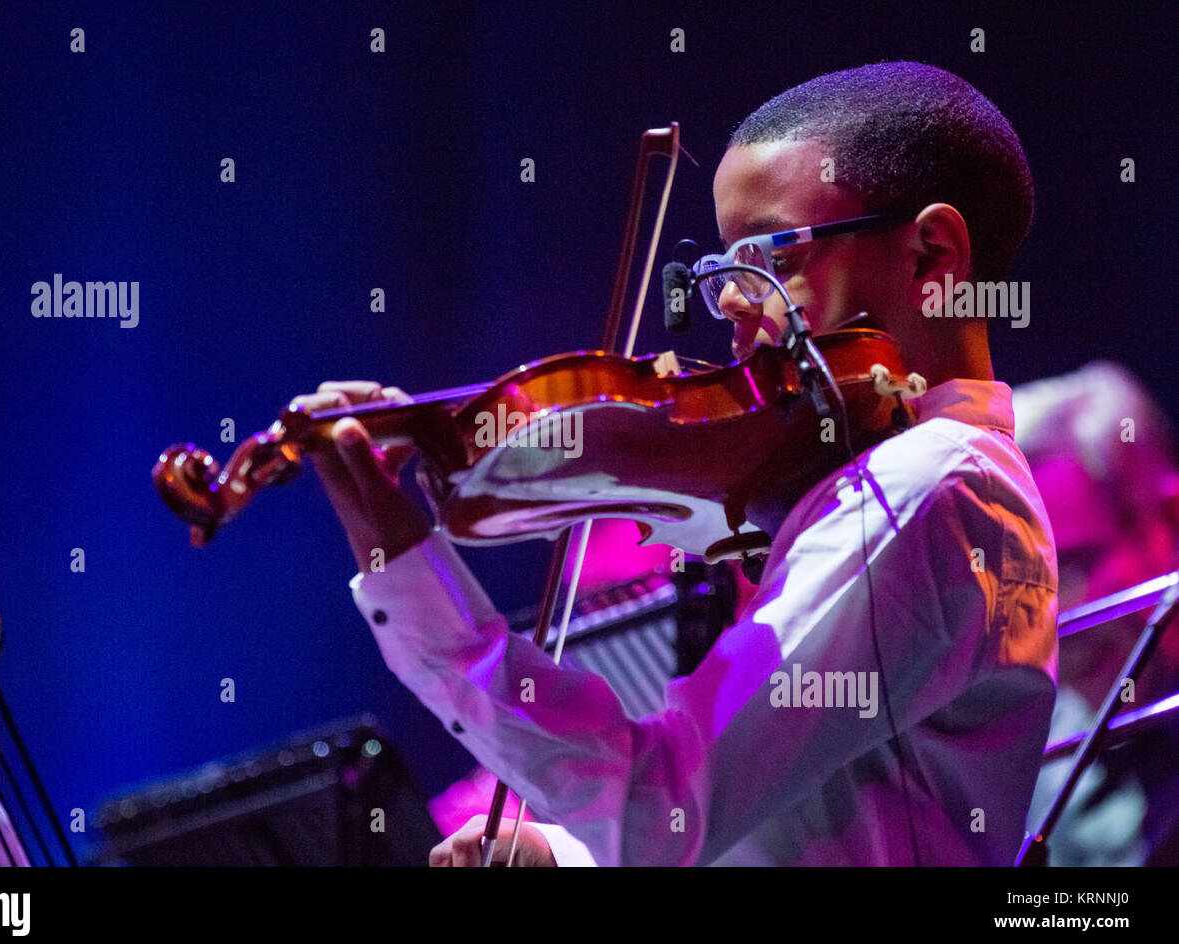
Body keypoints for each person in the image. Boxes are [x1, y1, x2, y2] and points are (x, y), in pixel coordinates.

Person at [297, 61, 1058, 865]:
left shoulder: (928, 487)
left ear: (932, 259)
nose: (729, 299)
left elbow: (659, 811)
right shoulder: (881, 483)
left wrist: (418, 590)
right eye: (721, 267)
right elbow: (795, 820)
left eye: (768, 254)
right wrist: (567, 857)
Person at [1014, 361, 1179, 865]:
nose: (1054, 620)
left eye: (1079, 563)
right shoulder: (1026, 766)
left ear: (1168, 522)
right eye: (1025, 587)